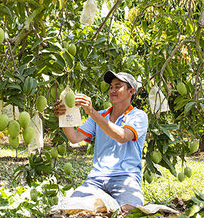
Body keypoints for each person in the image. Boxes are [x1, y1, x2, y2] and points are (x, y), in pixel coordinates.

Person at [53, 71, 148, 212]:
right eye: (111, 87)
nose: (112, 90)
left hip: (125, 178)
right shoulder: (100, 116)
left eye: (118, 86)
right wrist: (64, 115)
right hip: (96, 179)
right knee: (71, 209)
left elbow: (122, 136)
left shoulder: (138, 116)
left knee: (130, 211)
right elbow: (74, 137)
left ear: (131, 91)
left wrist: (92, 112)